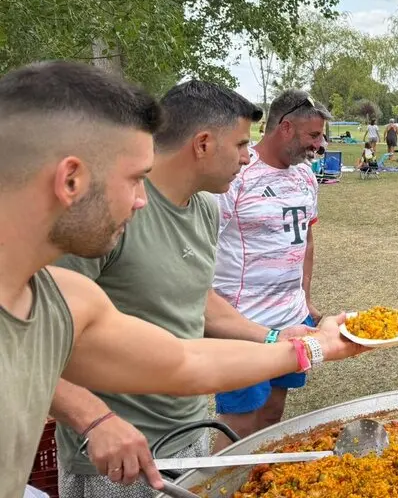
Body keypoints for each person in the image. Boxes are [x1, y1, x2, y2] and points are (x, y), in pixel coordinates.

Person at [0, 62, 364, 496]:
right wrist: (94, 418)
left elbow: (183, 361)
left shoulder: (65, 299)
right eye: (135, 179)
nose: (141, 200)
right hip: (115, 463)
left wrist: (313, 345)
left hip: (183, 431)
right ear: (71, 179)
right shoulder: (63, 283)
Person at [211, 89, 333, 449]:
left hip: (292, 319)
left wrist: (305, 298)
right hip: (245, 323)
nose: (320, 144)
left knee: (272, 413)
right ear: (285, 128)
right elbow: (204, 246)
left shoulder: (306, 175)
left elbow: (306, 239)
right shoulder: (235, 176)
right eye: (313, 135)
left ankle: (255, 478)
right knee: (239, 422)